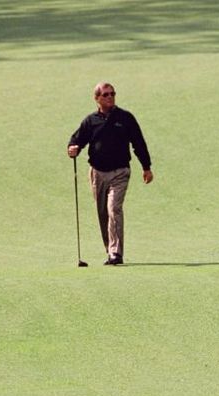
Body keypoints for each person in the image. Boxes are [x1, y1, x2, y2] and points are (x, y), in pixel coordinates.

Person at [67, 82, 153, 265]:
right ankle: (110, 249)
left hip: (120, 172)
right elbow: (77, 140)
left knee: (114, 208)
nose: (110, 97)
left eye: (112, 93)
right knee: (103, 212)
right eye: (105, 94)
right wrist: (72, 149)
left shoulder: (125, 118)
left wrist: (146, 167)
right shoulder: (90, 121)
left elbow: (138, 143)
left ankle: (116, 253)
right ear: (97, 98)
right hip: (97, 173)